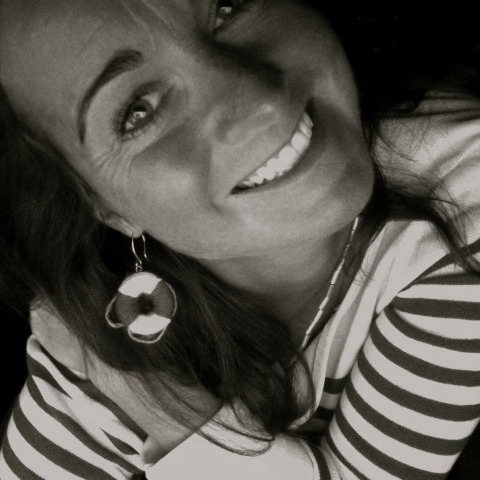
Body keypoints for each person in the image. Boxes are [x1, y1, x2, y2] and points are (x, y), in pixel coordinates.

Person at [0, 1, 479, 478]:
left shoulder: (464, 196)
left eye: (230, 6)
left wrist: (153, 401)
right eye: (139, 112)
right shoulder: (100, 321)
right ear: (102, 205)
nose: (263, 103)